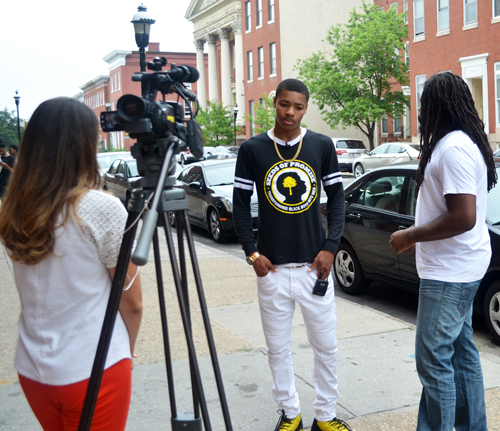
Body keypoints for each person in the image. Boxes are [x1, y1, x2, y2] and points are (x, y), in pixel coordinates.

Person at [0, 97, 143, 431]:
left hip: (34, 366)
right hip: (95, 364)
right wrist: (128, 350)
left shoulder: (14, 209)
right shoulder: (98, 208)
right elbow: (131, 303)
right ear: (84, 145)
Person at [233, 79, 350, 431]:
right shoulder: (253, 149)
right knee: (278, 349)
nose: (290, 112)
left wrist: (331, 247)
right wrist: (252, 254)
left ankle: (325, 416)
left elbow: (338, 199)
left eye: (298, 106)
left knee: (326, 347)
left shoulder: (320, 145)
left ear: (305, 108)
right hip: (272, 271)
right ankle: (290, 413)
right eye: (285, 104)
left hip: (316, 269)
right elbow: (240, 206)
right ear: (275, 104)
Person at [389, 72, 497, 431]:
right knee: (462, 353)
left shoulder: (452, 148)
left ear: (436, 106)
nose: (419, 113)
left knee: (433, 360)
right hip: (461, 267)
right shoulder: (463, 142)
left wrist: (411, 236)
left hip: (450, 273)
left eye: (423, 105)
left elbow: (464, 217)